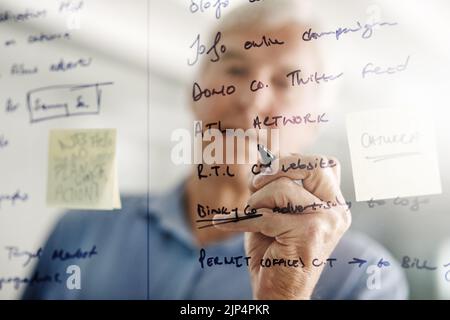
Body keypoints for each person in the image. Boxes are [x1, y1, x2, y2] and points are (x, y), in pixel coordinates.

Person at [23, 0, 408, 299]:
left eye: (285, 83)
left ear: (314, 123)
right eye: (236, 70)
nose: (251, 102)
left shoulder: (362, 277)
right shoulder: (81, 229)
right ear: (196, 91)